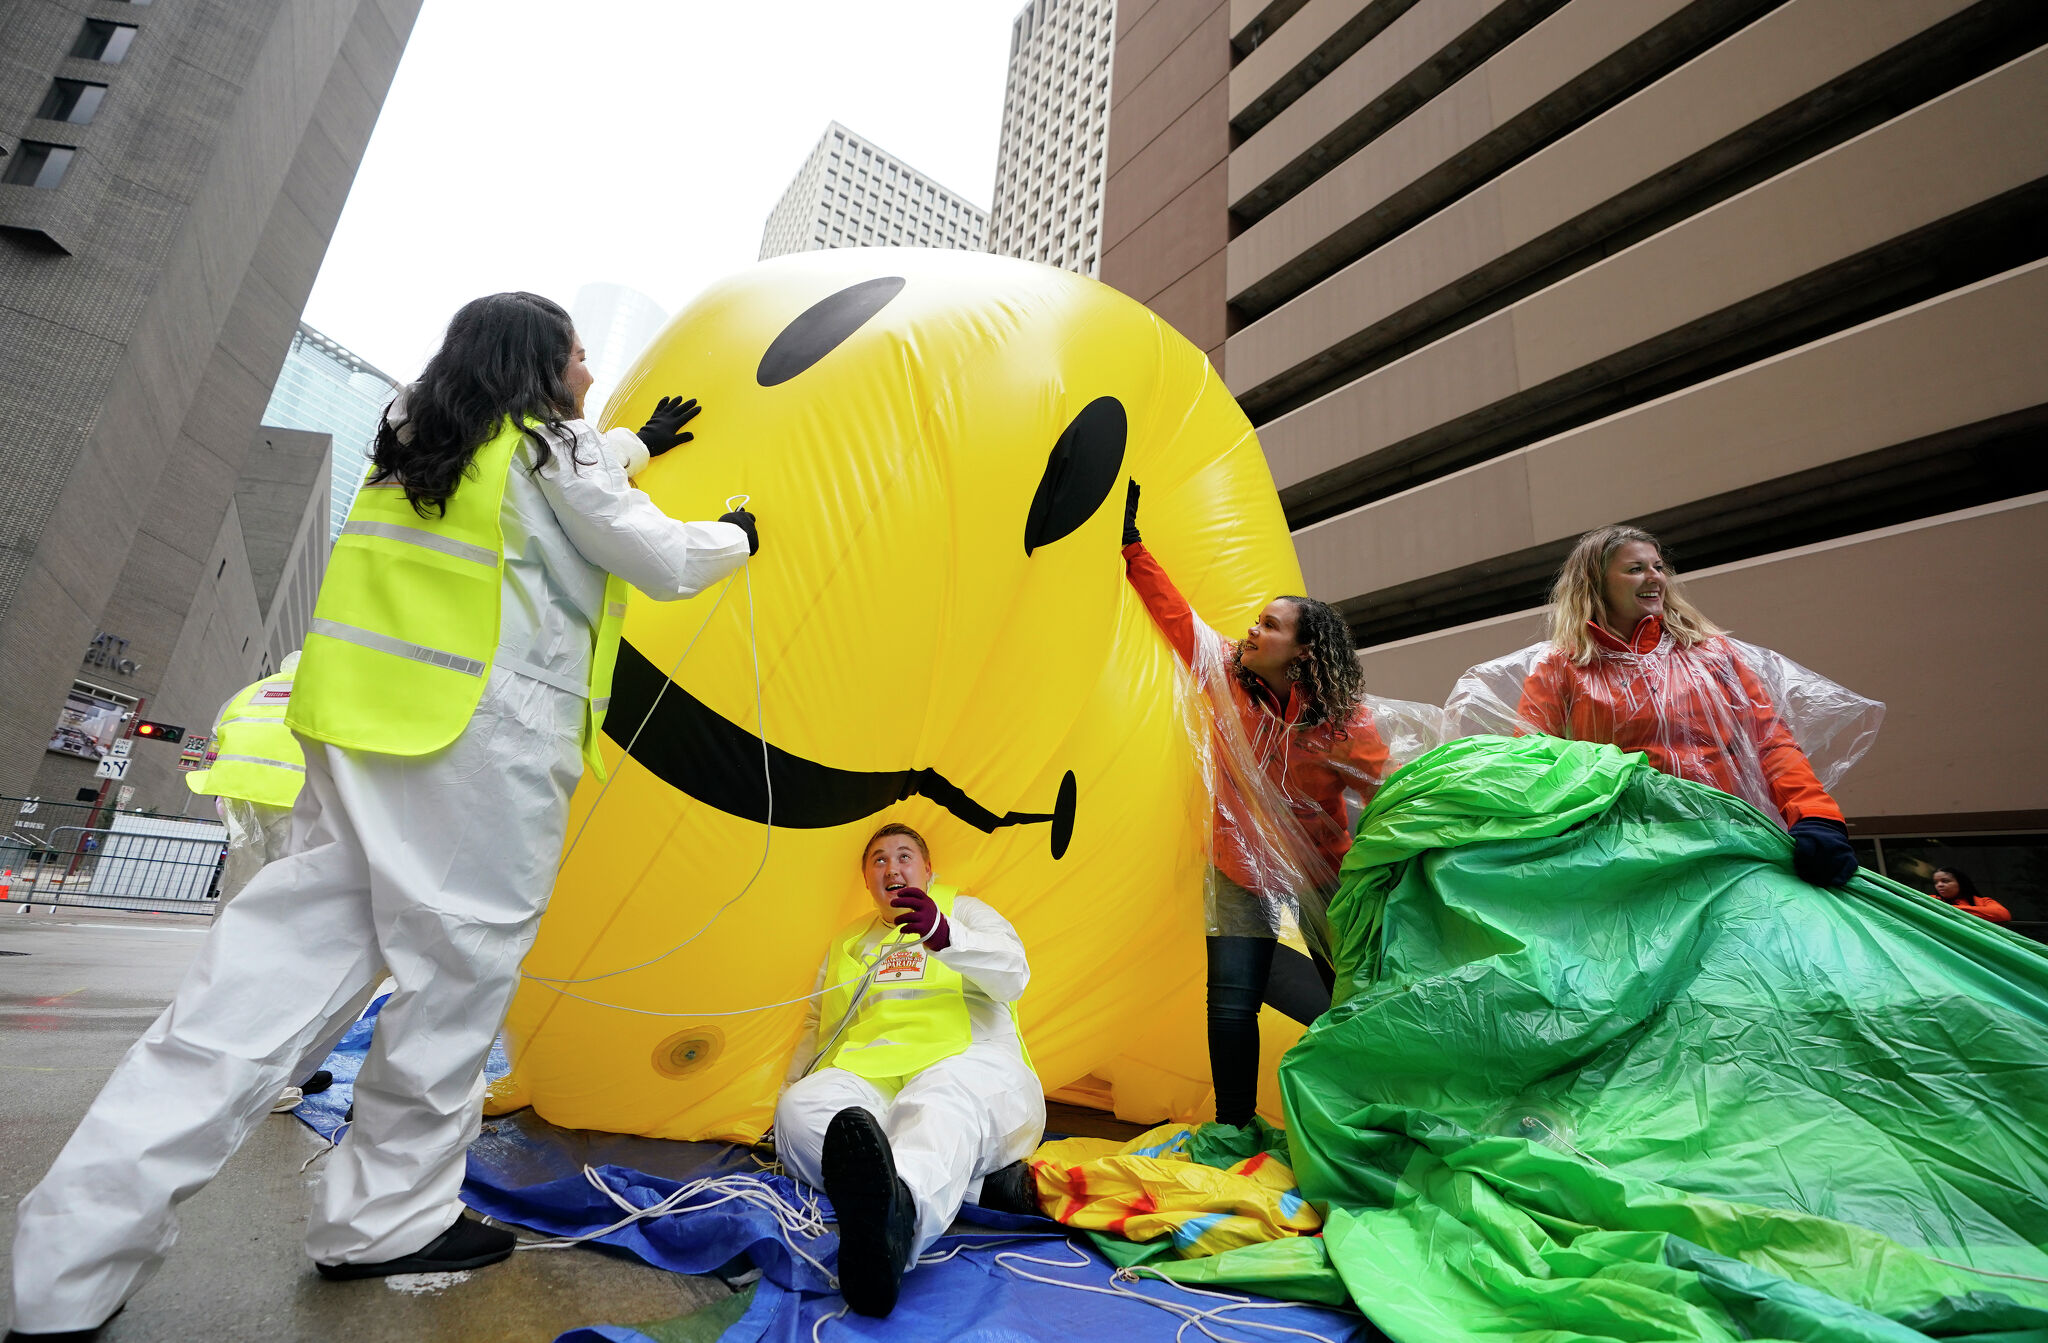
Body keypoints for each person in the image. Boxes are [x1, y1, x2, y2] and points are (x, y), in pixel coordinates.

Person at [7, 292, 760, 1342]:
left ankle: (64, 1268)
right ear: (541, 362)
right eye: (579, 357)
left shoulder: (417, 435)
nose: (589, 373)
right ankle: (381, 1220)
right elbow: (662, 558)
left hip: (359, 733)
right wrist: (737, 533)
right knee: (453, 989)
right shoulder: (553, 447)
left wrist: (628, 444)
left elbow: (546, 494)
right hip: (478, 748)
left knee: (246, 1002)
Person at [1120, 481, 1437, 1131]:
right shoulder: (1223, 674)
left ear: (1303, 653)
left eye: (1269, 624)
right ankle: (1233, 1127)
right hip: (1239, 868)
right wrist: (1131, 546)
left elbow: (1389, 794)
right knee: (1232, 1002)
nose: (1251, 629)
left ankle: (1369, 1115)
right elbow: (1175, 613)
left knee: (1356, 995)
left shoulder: (1343, 725)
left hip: (1324, 873)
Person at [1445, 525, 1883, 889]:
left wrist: (1818, 818)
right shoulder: (1562, 668)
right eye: (1635, 569)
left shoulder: (1712, 654)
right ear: (1596, 583)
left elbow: (1770, 742)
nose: (1654, 577)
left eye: (1658, 567)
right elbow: (1535, 764)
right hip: (1623, 855)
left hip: (1732, 842)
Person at [773, 822, 1044, 1319]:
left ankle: (898, 1226)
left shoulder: (964, 911)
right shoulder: (849, 941)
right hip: (876, 1080)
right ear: (867, 879)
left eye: (904, 856)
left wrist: (944, 933)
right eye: (878, 860)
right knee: (798, 1111)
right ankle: (963, 1186)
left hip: (968, 1065)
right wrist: (790, 1089)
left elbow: (1014, 974)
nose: (892, 867)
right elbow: (819, 1022)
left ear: (927, 870)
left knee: (938, 1101)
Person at [184, 652, 356, 1113]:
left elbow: (220, 743)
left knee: (239, 926)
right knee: (291, 937)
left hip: (242, 811)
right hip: (296, 810)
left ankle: (215, 1053)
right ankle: (264, 1075)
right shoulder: (330, 690)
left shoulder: (249, 692)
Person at [1931, 866, 2010, 924]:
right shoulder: (1932, 899)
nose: (1939, 885)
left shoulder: (1983, 901)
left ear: (1961, 883)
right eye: (1936, 882)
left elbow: (2003, 915)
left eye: (1945, 881)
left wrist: (1945, 908)